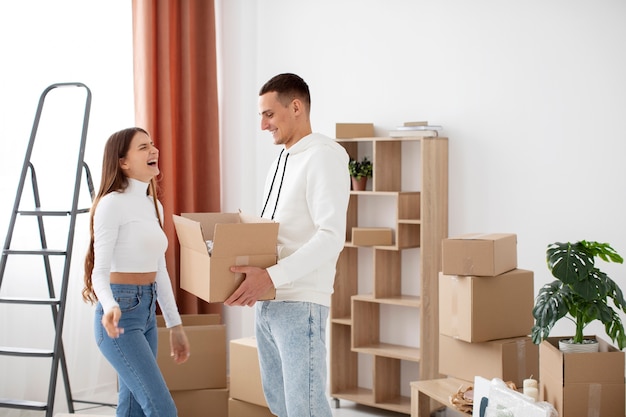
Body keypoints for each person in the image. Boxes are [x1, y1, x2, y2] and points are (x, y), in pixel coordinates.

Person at [225, 73, 350, 417]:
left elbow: (331, 236)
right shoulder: (281, 159)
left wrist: (272, 277)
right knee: (281, 405)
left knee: (305, 409)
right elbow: (275, 231)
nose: (263, 125)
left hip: (299, 303)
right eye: (260, 116)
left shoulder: (324, 155)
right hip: (269, 302)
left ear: (295, 107)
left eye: (269, 114)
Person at [82, 127, 190, 417]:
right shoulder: (111, 204)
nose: (154, 150)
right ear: (123, 162)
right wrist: (111, 306)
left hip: (146, 314)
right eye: (143, 147)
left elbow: (160, 270)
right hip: (120, 316)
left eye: (152, 144)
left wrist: (175, 325)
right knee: (162, 409)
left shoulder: (154, 205)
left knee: (132, 409)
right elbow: (99, 272)